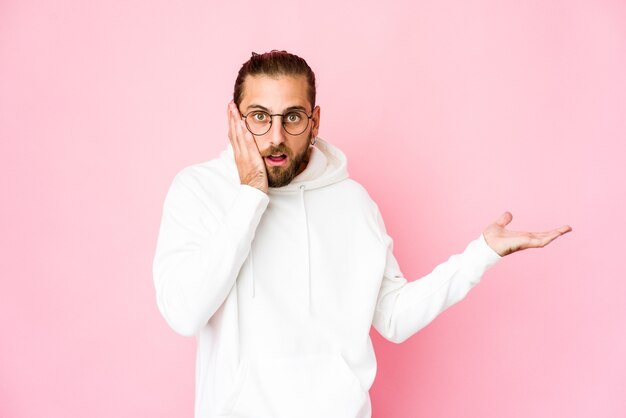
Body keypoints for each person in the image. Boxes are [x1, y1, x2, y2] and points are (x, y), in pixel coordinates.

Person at [152, 50, 571, 418]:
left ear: (315, 121)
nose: (275, 137)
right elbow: (185, 313)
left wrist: (481, 254)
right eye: (259, 117)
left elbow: (393, 317)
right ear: (235, 120)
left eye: (292, 117)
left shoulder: (351, 202)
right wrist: (249, 196)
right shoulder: (198, 191)